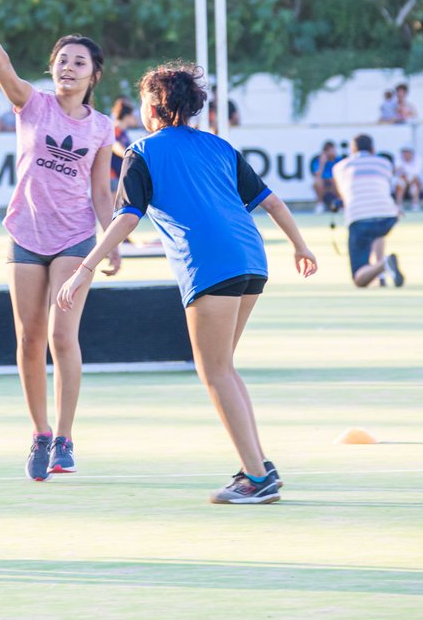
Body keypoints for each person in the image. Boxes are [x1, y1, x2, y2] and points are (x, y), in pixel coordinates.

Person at [57, 61, 316, 505]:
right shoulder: (220, 147)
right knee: (224, 368)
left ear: (154, 107)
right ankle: (258, 465)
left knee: (213, 370)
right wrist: (300, 245)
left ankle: (256, 478)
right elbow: (271, 202)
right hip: (251, 258)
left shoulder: (143, 150)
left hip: (210, 263)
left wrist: (85, 268)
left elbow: (126, 217)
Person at [0, 8, 119, 481]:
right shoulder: (33, 104)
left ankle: (65, 438)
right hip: (25, 234)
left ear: (94, 74)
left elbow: (102, 192)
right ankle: (40, 434)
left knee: (61, 336)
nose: (68, 67)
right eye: (61, 60)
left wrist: (109, 245)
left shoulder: (102, 127)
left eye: (78, 62)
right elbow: (3, 70)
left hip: (75, 238)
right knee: (28, 339)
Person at [333, 134, 405, 288]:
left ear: (352, 149)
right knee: (377, 229)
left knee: (359, 279)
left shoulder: (340, 167)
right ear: (373, 149)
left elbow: (344, 194)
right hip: (388, 216)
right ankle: (382, 274)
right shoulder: (384, 163)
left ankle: (382, 266)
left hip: (358, 218)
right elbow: (397, 184)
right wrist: (397, 205)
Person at [109, 98, 140, 192]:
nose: (135, 119)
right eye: (133, 116)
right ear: (126, 117)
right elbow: (115, 146)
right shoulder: (114, 129)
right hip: (111, 176)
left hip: (118, 176)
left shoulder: (123, 132)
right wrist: (131, 157)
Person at [310, 140, 341, 214]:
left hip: (334, 184)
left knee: (335, 181)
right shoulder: (318, 161)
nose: (334, 152)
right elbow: (317, 175)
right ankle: (320, 204)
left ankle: (339, 204)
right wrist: (322, 163)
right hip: (324, 185)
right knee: (317, 182)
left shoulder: (338, 160)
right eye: (332, 150)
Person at [395, 145, 422, 211]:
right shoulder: (398, 159)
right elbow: (398, 173)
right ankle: (399, 205)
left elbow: (416, 175)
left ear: (412, 153)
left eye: (408, 152)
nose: (406, 154)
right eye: (404, 152)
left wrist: (408, 180)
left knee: (415, 185)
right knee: (400, 183)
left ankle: (415, 205)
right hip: (403, 182)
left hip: (414, 182)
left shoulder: (418, 160)